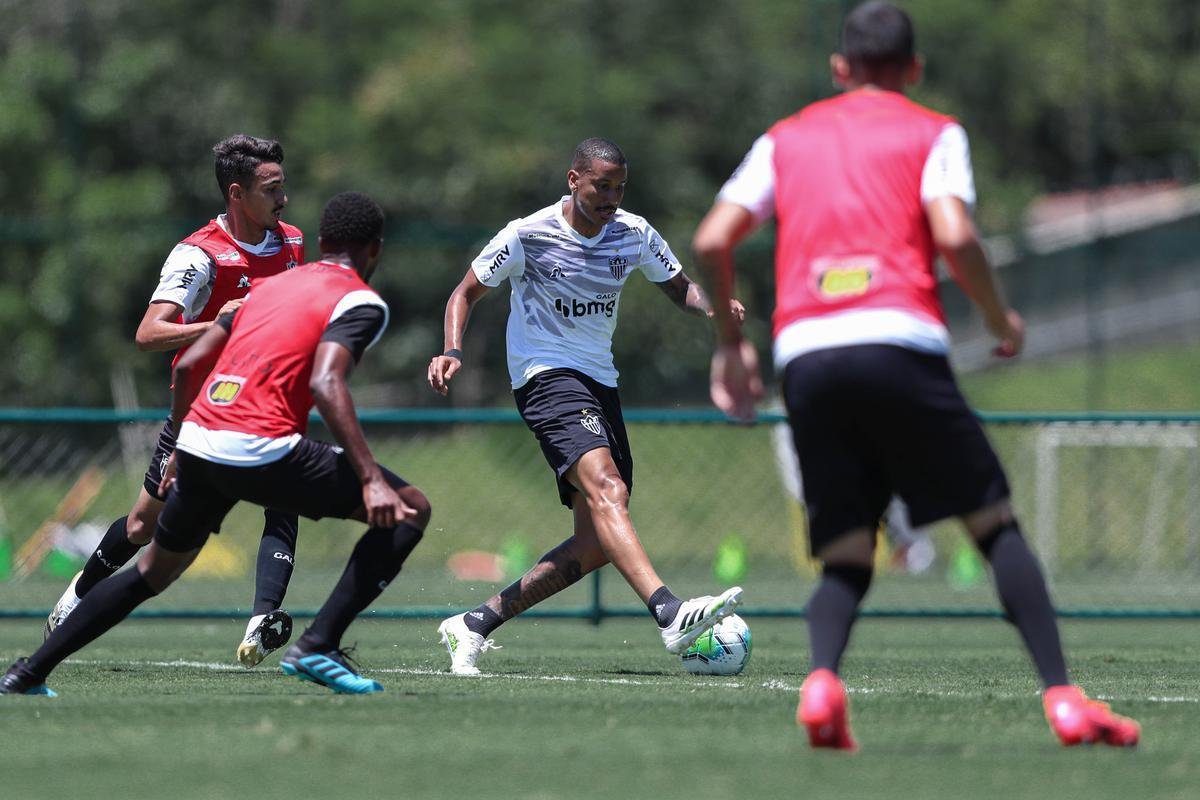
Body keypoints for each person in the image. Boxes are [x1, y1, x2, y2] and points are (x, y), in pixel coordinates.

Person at [691, 1, 1139, 750]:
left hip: (806, 352)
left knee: (843, 554)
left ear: (839, 69)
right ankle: (1063, 699)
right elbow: (956, 234)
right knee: (994, 526)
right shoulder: (935, 131)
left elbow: (712, 238)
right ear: (914, 70)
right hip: (898, 340)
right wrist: (1001, 321)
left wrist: (733, 345)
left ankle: (822, 683)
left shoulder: (784, 138)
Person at [2, 191, 428, 696]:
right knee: (409, 510)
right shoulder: (361, 301)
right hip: (260, 445)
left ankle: (26, 673)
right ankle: (318, 643)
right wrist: (371, 479)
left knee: (151, 572)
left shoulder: (272, 287)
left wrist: (181, 445)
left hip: (203, 440)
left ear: (319, 242)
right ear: (375, 250)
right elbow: (327, 382)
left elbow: (187, 364)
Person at [428, 137, 744, 675]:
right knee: (608, 489)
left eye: (620, 187)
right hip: (544, 377)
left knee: (597, 540)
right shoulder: (527, 235)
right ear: (573, 180)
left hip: (601, 383)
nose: (611, 197)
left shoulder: (634, 233)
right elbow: (463, 293)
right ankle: (669, 614)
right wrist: (452, 350)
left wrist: (712, 306)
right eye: (602, 186)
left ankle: (474, 623)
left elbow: (678, 287)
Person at [45, 134, 306, 668]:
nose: (284, 199)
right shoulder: (198, 254)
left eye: (284, 186)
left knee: (287, 497)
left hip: (268, 405)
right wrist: (219, 323)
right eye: (272, 188)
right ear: (237, 193)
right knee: (145, 526)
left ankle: (262, 621)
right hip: (202, 412)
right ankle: (77, 596)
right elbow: (148, 333)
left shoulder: (293, 244)